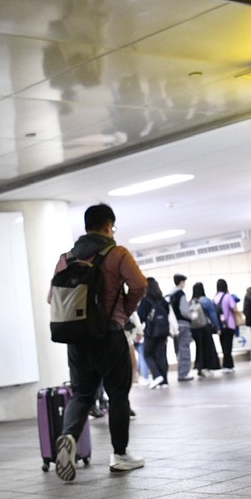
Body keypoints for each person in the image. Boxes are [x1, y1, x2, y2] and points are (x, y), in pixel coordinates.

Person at [49, 203, 146, 481]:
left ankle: (68, 437)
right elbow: (139, 285)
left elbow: (51, 298)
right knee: (117, 395)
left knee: (82, 394)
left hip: (77, 340)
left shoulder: (65, 259)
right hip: (109, 335)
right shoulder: (117, 253)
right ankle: (119, 455)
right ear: (108, 226)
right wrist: (124, 310)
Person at [136, 277, 174, 389]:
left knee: (147, 354)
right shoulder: (163, 301)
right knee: (161, 355)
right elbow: (167, 314)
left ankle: (157, 376)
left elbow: (141, 317)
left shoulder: (145, 301)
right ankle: (164, 381)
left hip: (150, 333)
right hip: (163, 332)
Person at [189, 281, 220, 378]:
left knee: (199, 348)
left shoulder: (191, 302)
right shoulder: (206, 300)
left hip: (194, 328)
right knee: (208, 348)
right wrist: (217, 327)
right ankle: (207, 367)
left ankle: (199, 367)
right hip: (205, 327)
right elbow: (213, 315)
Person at [168, 274, 195, 382]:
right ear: (181, 282)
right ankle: (183, 373)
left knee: (178, 350)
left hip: (174, 326)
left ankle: (181, 372)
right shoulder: (180, 294)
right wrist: (192, 316)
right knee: (184, 349)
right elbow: (184, 310)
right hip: (183, 324)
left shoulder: (169, 294)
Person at [213, 278, 240, 372]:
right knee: (228, 345)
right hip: (229, 324)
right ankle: (228, 365)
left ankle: (226, 365)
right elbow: (235, 309)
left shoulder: (215, 298)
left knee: (223, 345)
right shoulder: (228, 296)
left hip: (220, 326)